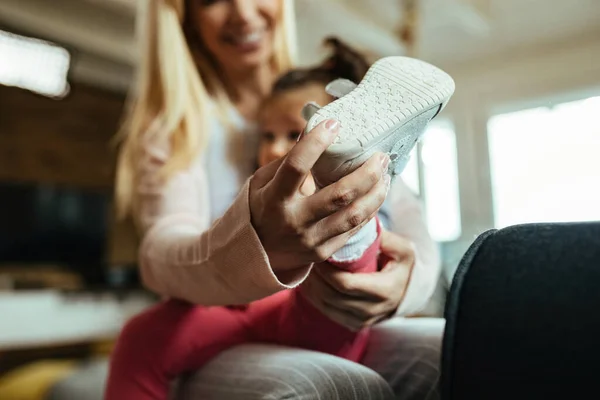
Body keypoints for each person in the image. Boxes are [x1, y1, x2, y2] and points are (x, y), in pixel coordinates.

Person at [107, 1, 443, 399]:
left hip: (338, 303)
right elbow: (159, 254)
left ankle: (351, 232)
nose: (244, 14)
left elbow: (411, 225)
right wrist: (257, 246)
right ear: (185, 15)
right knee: (337, 385)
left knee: (447, 349)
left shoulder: (326, 103)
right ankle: (349, 236)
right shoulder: (178, 127)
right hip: (233, 315)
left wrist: (407, 287)